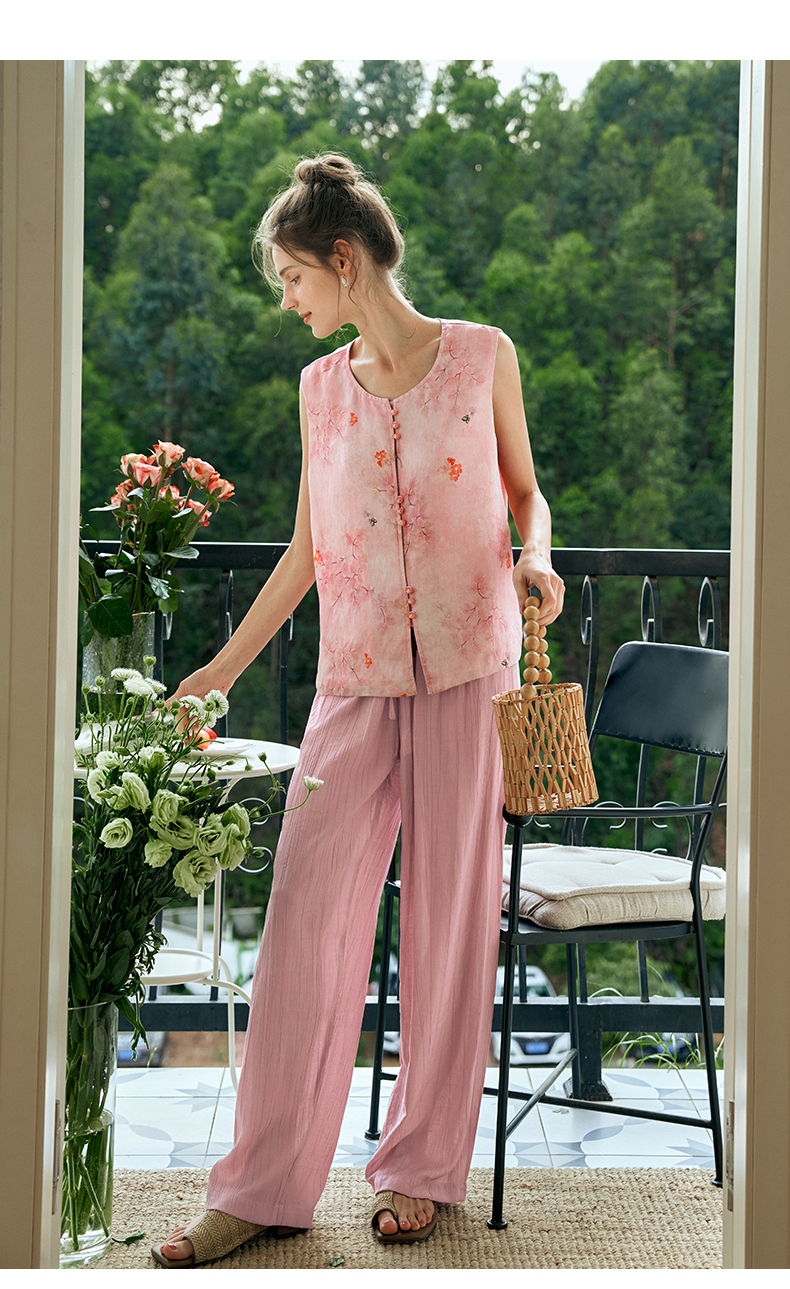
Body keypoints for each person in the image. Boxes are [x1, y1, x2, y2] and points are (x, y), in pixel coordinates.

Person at [151, 152, 564, 1268]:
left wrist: (535, 557)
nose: (287, 299)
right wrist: (222, 668)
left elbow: (526, 494)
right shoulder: (318, 388)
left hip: (471, 672)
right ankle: (261, 1185)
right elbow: (306, 549)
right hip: (353, 681)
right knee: (300, 921)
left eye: (292, 277)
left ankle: (419, 1170)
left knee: (447, 928)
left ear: (343, 260)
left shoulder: (481, 356)